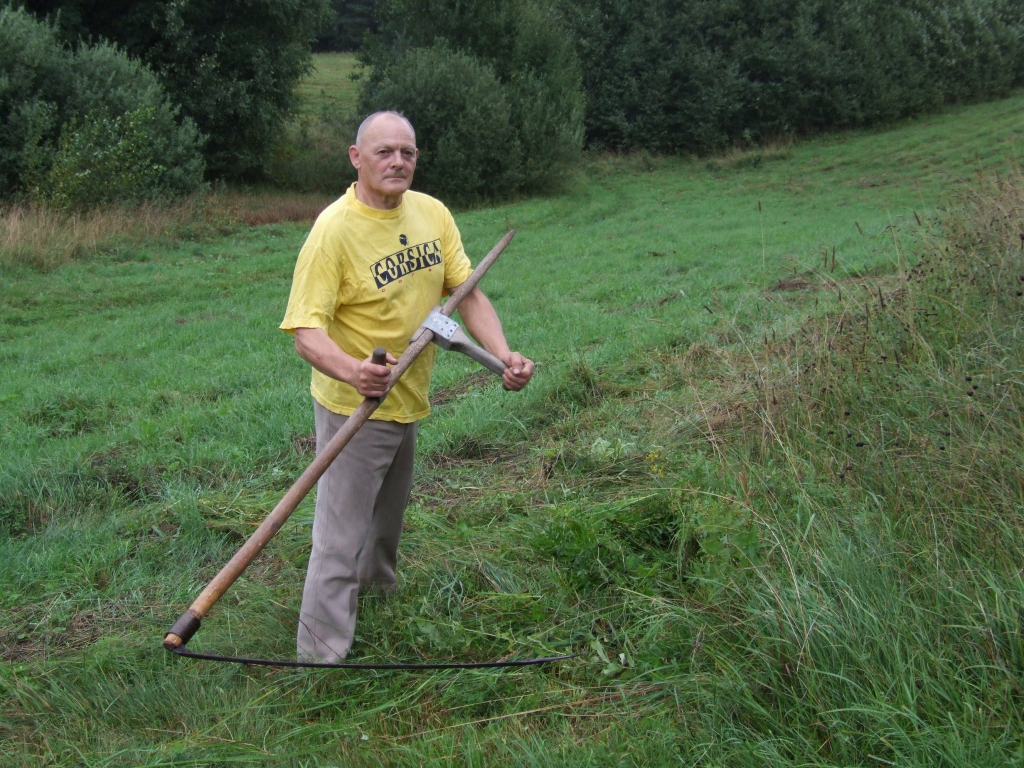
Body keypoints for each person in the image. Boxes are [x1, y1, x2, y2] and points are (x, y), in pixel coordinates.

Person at [279, 111, 534, 662]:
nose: (398, 162)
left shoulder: (432, 213)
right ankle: (320, 657)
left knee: (386, 521)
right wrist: (354, 370)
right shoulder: (333, 232)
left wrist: (502, 353)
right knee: (339, 539)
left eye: (408, 152)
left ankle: (379, 599)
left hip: (408, 397)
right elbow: (305, 332)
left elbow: (465, 292)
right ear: (356, 158)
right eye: (384, 152)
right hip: (356, 407)